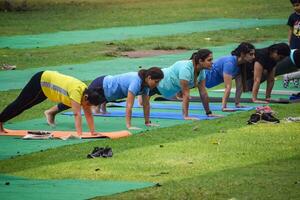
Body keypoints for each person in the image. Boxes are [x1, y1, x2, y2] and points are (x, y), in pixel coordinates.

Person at [45, 67, 164, 130]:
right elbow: (129, 105)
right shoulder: (136, 81)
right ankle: (51, 112)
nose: (157, 84)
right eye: (156, 81)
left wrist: (147, 122)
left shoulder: (145, 85)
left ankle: (100, 107)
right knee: (78, 102)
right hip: (101, 85)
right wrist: (129, 125)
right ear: (149, 78)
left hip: (107, 92)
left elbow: (146, 104)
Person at [0, 71, 105, 137]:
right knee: (20, 105)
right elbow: (77, 114)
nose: (87, 107)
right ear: (86, 98)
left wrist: (93, 132)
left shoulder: (86, 93)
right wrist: (79, 134)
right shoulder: (76, 92)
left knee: (24, 106)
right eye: (88, 105)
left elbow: (88, 114)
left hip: (46, 88)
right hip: (41, 81)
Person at [145, 49, 216, 120]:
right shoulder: (186, 69)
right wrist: (186, 116)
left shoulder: (201, 72)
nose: (212, 62)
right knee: (142, 101)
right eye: (209, 60)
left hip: (167, 88)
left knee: (143, 101)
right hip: (159, 84)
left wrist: (209, 113)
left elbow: (203, 93)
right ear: (200, 61)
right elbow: (186, 94)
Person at [204, 42, 255, 111]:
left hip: (207, 81)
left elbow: (239, 86)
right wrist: (224, 107)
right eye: (251, 54)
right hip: (204, 76)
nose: (253, 57)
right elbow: (228, 87)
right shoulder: (229, 63)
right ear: (242, 54)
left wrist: (237, 103)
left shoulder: (241, 65)